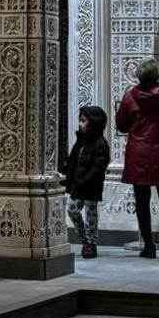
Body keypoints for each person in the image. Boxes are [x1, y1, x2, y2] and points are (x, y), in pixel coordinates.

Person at [116, 58, 159, 260]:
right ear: (157, 75)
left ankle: (148, 245)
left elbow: (121, 124)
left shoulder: (129, 97)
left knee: (142, 201)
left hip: (139, 153)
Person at [61, 104, 110, 257]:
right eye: (80, 121)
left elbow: (98, 166)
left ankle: (91, 242)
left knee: (90, 214)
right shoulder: (81, 141)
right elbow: (73, 160)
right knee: (72, 209)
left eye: (84, 121)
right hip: (78, 183)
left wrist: (87, 179)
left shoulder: (100, 144)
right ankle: (84, 238)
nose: (81, 124)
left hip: (91, 185)